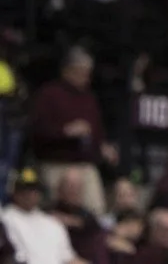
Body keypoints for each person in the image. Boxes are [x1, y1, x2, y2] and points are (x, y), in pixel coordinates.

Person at [25, 47, 117, 214]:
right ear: (67, 70)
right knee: (59, 211)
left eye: (88, 73)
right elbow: (36, 131)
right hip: (56, 163)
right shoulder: (49, 94)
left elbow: (97, 131)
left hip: (85, 164)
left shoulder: (89, 98)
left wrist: (103, 147)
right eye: (81, 72)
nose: (86, 78)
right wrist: (65, 132)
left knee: (95, 210)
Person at [6, 169, 78, 264]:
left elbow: (69, 259)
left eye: (34, 189)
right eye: (24, 189)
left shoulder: (52, 223)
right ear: (15, 192)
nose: (30, 194)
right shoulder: (5, 219)